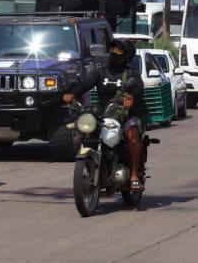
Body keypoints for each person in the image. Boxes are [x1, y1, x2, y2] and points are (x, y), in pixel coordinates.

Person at [62, 37, 147, 191]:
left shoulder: (131, 72)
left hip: (126, 114)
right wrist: (71, 93)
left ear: (126, 56)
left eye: (118, 50)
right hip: (104, 113)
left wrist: (131, 96)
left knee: (133, 135)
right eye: (112, 49)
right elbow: (84, 84)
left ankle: (134, 175)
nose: (114, 52)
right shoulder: (101, 72)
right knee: (86, 131)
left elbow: (139, 86)